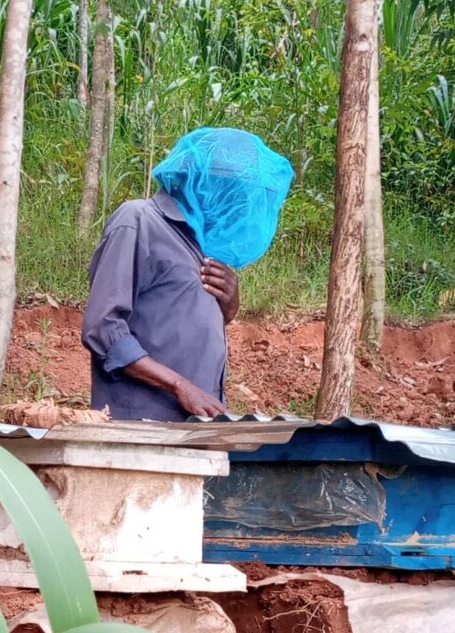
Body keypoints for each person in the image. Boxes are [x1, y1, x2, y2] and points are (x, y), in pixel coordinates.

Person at [82, 127, 296, 420]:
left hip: (195, 429)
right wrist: (179, 385)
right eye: (232, 191)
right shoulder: (139, 220)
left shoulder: (203, 244)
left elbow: (178, 324)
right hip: (141, 430)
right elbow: (102, 329)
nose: (237, 204)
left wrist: (229, 305)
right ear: (204, 183)